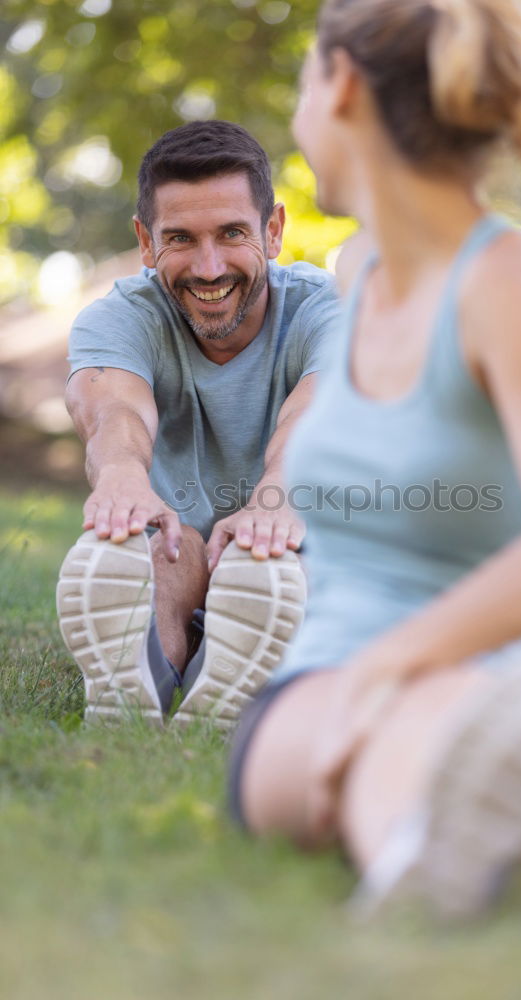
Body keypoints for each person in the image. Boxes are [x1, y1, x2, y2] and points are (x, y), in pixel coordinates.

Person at [226, 0, 521, 931]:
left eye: (306, 82)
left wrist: (393, 663)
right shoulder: (358, 271)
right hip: (332, 680)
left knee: (451, 710)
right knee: (424, 723)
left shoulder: (509, 280)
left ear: (340, 83)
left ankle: (452, 864)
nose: (302, 117)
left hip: (509, 679)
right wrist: (378, 675)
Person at [56, 120, 338, 727]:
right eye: (181, 238)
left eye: (232, 233)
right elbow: (114, 410)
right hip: (183, 543)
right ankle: (149, 679)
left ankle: (236, 658)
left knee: (270, 559)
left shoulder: (331, 311)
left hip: (307, 548)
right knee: (153, 549)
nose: (209, 268)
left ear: (274, 230)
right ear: (145, 241)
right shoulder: (118, 320)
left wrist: (275, 496)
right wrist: (123, 478)